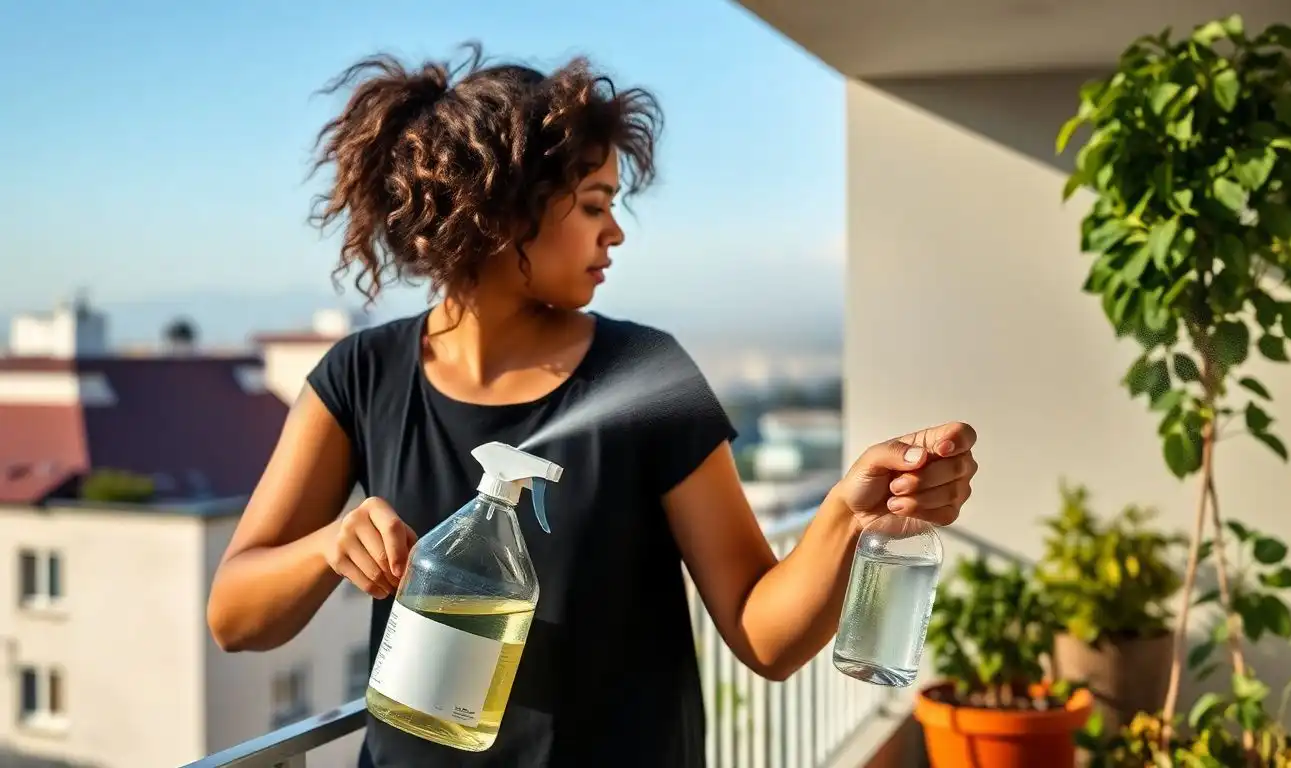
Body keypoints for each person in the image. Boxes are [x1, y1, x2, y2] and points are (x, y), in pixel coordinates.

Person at [205, 44, 979, 768]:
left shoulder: (646, 373)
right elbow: (236, 617)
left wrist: (846, 513)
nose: (614, 233)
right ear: (501, 209)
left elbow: (764, 637)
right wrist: (328, 545)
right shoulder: (360, 376)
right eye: (593, 204)